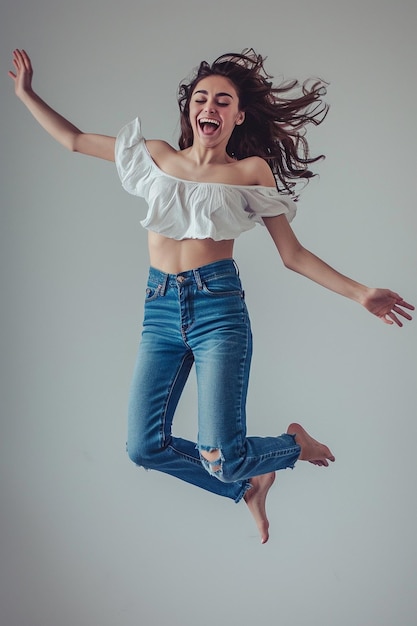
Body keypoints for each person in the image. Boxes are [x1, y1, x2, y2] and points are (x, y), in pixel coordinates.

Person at [8, 48, 414, 544]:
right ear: (191, 112)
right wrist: (27, 95)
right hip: (158, 310)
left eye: (224, 101)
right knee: (143, 447)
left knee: (222, 453)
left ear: (238, 116)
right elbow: (73, 140)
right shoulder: (155, 156)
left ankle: (292, 446)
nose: (211, 108)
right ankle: (248, 484)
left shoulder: (249, 173)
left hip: (217, 311)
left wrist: (360, 293)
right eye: (202, 99)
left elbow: (293, 254)